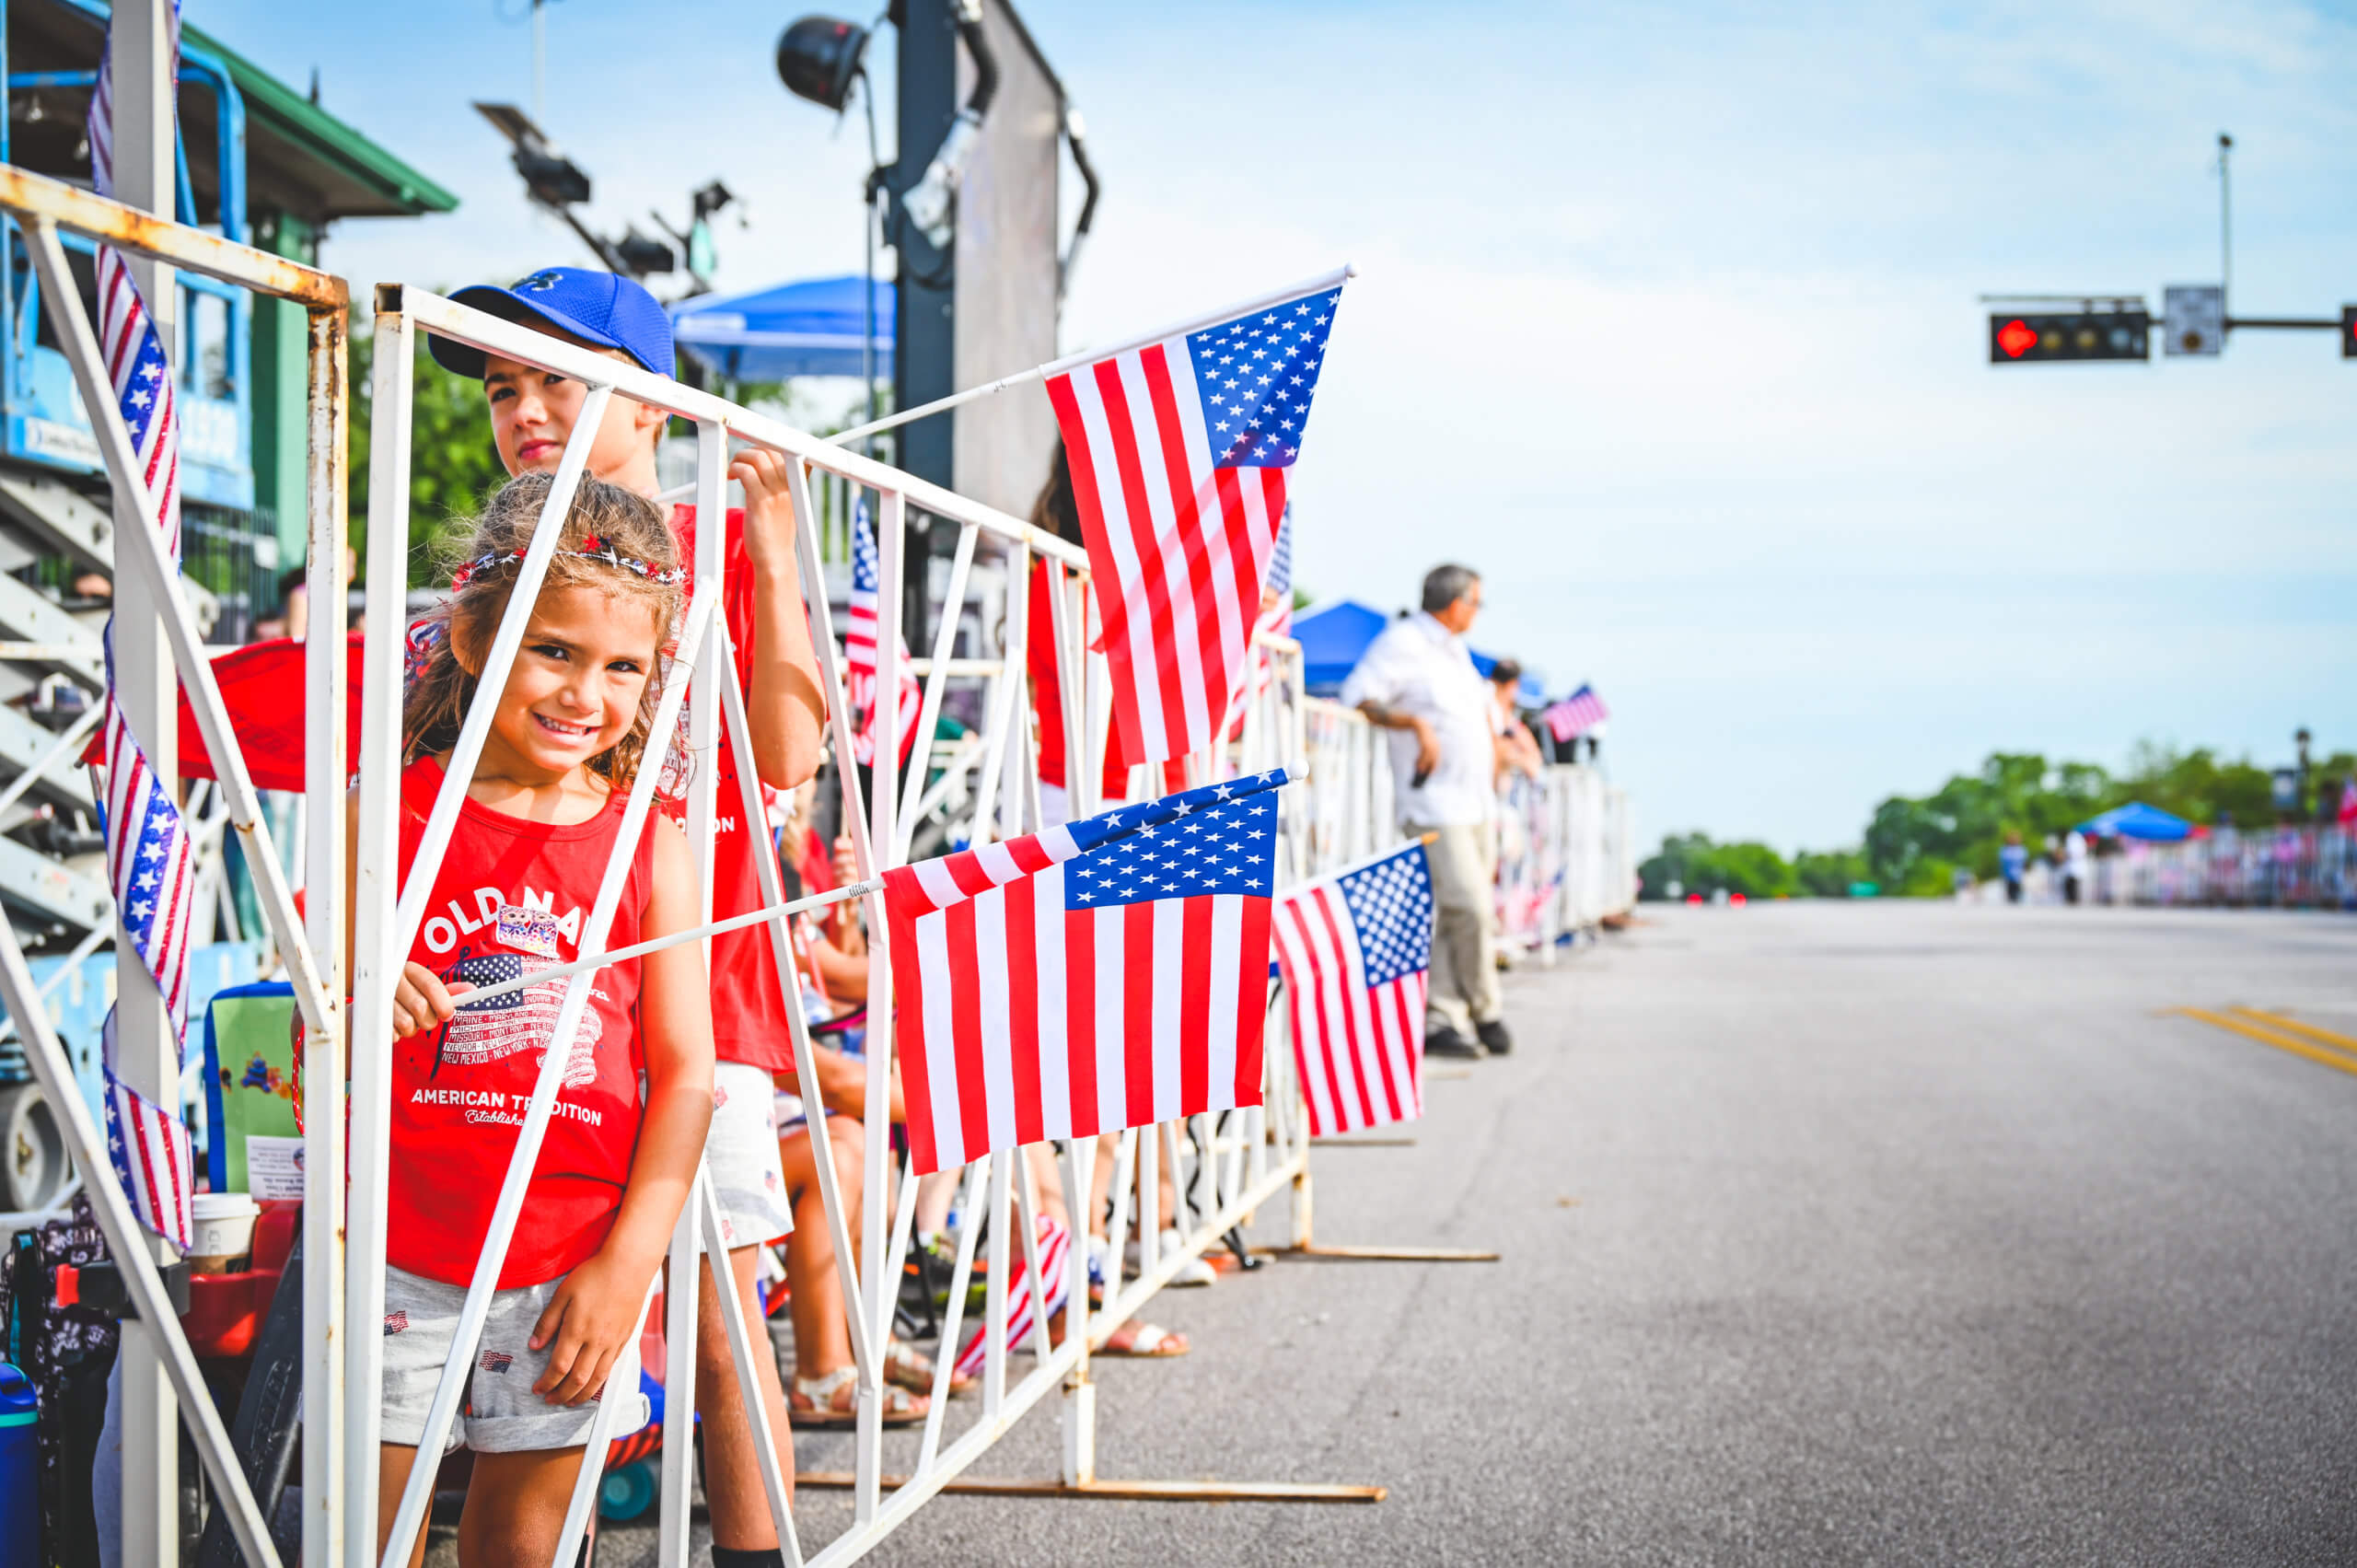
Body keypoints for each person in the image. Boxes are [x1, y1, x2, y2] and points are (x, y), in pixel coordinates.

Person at [431, 266, 826, 1566]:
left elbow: (788, 754)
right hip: (529, 971)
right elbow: (442, 757)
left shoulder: (716, 545)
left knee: (714, 1297)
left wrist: (772, 551)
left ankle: (755, 1542)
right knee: (516, 1286)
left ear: (651, 399)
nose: (525, 408)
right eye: (502, 387)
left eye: (557, 377)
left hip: (689, 976)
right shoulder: (505, 557)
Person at [359, 474, 714, 1565]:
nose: (583, 693)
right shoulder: (384, 808)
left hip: (569, 1263)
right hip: (390, 1252)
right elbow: (309, 1013)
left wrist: (629, 1267)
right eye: (552, 649)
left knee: (525, 1544)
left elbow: (687, 1073)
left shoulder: (649, 844)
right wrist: (362, 988)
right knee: (367, 1537)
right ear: (471, 636)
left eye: (621, 666)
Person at [1340, 564, 1511, 1058]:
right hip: (1434, 801)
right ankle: (1486, 1008)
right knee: (1470, 906)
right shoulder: (1404, 643)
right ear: (1456, 604)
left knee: (1458, 912)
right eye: (1476, 603)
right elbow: (1360, 697)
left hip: (1474, 801)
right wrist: (1413, 723)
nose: (1477, 613)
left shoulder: (1454, 652)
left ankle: (1442, 1016)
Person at [2062, 828, 2089, 906]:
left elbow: (2071, 852)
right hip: (2074, 866)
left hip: (2074, 865)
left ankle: (2073, 900)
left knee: (2073, 884)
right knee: (2073, 883)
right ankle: (2073, 899)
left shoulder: (2073, 839)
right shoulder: (2078, 839)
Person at [1999, 830, 2027, 904]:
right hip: (2008, 877)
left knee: (2019, 896)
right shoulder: (2005, 850)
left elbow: (2024, 863)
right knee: (2010, 897)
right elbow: (2003, 863)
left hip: (2019, 876)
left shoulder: (2022, 850)